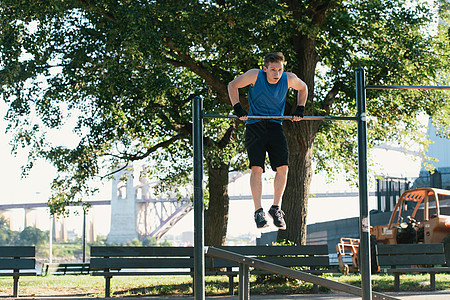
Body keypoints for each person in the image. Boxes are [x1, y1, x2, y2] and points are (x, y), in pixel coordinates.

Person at [227, 52, 308, 230]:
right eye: (272, 70)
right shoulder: (255, 75)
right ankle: (258, 212)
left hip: (275, 126)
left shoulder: (289, 79)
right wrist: (237, 107)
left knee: (283, 168)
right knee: (257, 168)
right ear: (265, 69)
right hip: (255, 125)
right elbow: (232, 85)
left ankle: (276, 208)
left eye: (279, 70)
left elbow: (303, 88)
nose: (276, 74)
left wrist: (300, 109)